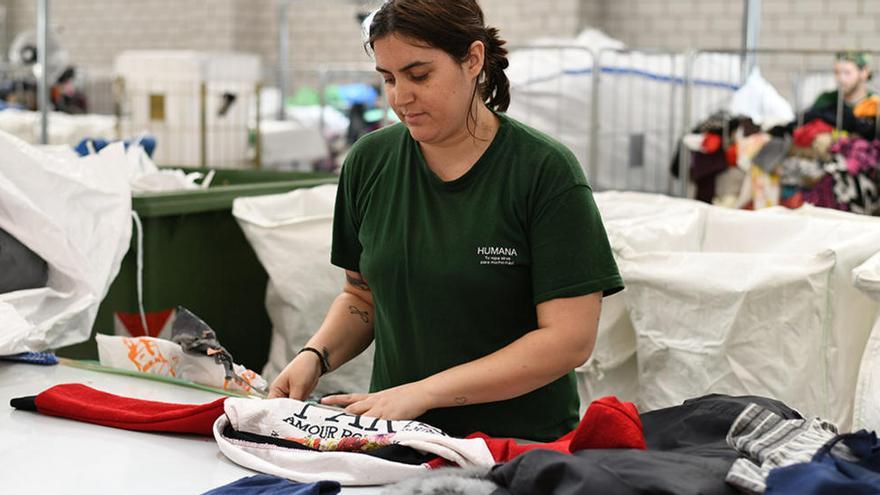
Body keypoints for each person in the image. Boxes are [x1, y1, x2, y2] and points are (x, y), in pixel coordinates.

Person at [268, 0, 623, 442]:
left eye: (419, 75)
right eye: (388, 79)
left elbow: (568, 340)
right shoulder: (368, 162)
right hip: (398, 439)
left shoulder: (543, 172)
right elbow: (362, 295)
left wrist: (425, 393)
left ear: (473, 60)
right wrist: (314, 356)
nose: (400, 96)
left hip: (516, 449)